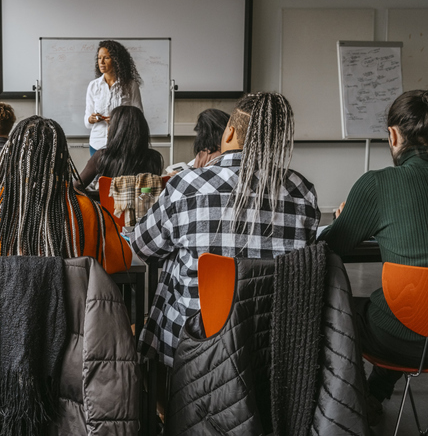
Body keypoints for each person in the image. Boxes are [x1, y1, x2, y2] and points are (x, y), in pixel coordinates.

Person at [133, 92, 320, 366]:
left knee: (175, 261)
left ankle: (162, 402)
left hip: (195, 345)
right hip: (270, 347)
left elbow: (142, 248)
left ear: (229, 132)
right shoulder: (301, 192)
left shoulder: (186, 186)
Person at [319, 89, 428, 423]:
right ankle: (374, 393)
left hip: (399, 340)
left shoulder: (378, 185)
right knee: (407, 304)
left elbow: (330, 248)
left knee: (352, 309)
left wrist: (344, 219)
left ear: (394, 135)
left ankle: (341, 409)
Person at [0, 116, 132, 274]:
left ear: (12, 155)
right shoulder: (88, 211)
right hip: (70, 309)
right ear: (62, 158)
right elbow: (122, 261)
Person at [76, 105, 163, 190]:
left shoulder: (101, 156)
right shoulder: (154, 158)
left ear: (118, 130)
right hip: (142, 204)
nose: (108, 129)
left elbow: (75, 188)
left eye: (110, 124)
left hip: (108, 204)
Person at [84, 40, 143, 156]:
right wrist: (92, 119)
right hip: (97, 143)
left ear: (116, 60)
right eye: (99, 58)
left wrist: (118, 120)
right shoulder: (93, 86)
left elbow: (138, 117)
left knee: (119, 174)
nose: (101, 62)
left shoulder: (130, 85)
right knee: (99, 175)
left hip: (122, 143)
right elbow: (87, 122)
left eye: (106, 58)